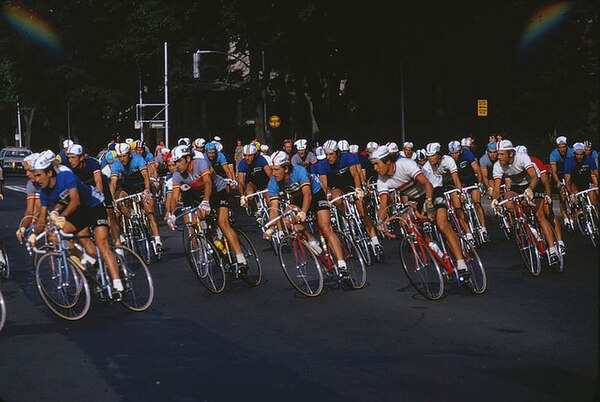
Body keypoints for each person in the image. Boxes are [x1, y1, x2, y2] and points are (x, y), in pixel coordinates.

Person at [30, 151, 124, 292]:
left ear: (49, 173)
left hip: (94, 206)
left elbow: (75, 200)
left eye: (39, 175)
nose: (36, 180)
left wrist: (62, 215)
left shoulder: (66, 176)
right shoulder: (44, 192)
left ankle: (118, 284)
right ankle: (89, 259)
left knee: (101, 242)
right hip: (78, 212)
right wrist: (32, 233)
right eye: (35, 175)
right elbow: (42, 219)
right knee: (54, 236)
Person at [369, 145, 470, 274]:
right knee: (409, 223)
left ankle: (461, 263)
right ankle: (435, 249)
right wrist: (380, 222)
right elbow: (383, 204)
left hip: (433, 188)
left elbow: (427, 183)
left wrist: (428, 203)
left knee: (441, 223)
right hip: (416, 197)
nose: (375, 168)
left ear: (388, 161)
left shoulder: (405, 164)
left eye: (377, 164)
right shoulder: (381, 180)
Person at [166, 145, 248, 270]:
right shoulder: (177, 175)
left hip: (217, 191)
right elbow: (175, 197)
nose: (176, 165)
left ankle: (241, 258)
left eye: (178, 161)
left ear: (188, 159)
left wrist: (205, 201)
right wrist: (172, 214)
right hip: (199, 195)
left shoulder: (201, 164)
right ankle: (221, 252)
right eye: (174, 162)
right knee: (205, 228)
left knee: (223, 223)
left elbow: (208, 182)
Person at [264, 151, 348, 271]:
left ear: (286, 169)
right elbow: (274, 208)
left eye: (276, 169)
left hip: (316, 194)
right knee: (287, 220)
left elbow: (307, 194)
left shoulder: (299, 171)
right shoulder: (273, 182)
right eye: (272, 169)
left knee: (325, 227)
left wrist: (303, 212)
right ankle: (310, 239)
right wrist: (271, 227)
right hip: (297, 199)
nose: (273, 173)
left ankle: (342, 264)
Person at [491, 140, 560, 266]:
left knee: (540, 216)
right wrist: (495, 199)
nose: (498, 157)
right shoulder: (498, 165)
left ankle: (552, 250)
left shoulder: (522, 158)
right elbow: (496, 188)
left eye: (501, 154)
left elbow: (535, 177)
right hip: (516, 187)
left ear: (511, 154)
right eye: (498, 154)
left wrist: (530, 189)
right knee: (507, 202)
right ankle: (526, 224)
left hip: (533, 185)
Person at [317, 140, 382, 253]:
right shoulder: (322, 164)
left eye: (331, 154)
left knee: (363, 212)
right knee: (336, 200)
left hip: (350, 184)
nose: (328, 157)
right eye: (326, 154)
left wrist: (358, 188)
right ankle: (347, 217)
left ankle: (375, 242)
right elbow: (324, 184)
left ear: (337, 154)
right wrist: (327, 197)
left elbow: (355, 174)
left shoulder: (347, 157)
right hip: (337, 187)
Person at [67, 144, 122, 248]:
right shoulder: (69, 167)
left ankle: (118, 245)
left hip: (100, 187)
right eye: (69, 157)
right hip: (85, 190)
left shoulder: (92, 163)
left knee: (110, 216)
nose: (70, 160)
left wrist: (98, 200)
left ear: (82, 157)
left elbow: (98, 182)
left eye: (73, 157)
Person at [110, 142, 163, 251]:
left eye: (124, 156)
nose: (122, 159)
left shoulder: (138, 159)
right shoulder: (116, 164)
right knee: (118, 202)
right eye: (120, 157)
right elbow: (113, 183)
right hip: (127, 186)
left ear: (129, 154)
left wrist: (147, 189)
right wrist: (112, 199)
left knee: (150, 211)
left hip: (141, 184)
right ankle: (131, 216)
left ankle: (157, 240)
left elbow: (145, 176)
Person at [422, 142, 473, 242]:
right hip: (437, 186)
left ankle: (467, 231)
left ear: (439, 155)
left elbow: (456, 179)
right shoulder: (426, 167)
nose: (430, 158)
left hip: (450, 183)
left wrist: (460, 193)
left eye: (432, 156)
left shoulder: (448, 160)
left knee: (458, 207)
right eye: (428, 156)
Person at [448, 140, 488, 240]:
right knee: (458, 207)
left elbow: (477, 169)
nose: (454, 155)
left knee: (477, 202)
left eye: (456, 153)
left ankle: (483, 228)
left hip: (471, 180)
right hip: (459, 182)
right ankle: (468, 233)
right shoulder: (449, 159)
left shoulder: (467, 153)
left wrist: (479, 183)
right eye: (452, 154)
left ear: (460, 150)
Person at [549, 136, 574, 228]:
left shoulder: (572, 152)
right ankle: (565, 217)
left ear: (567, 146)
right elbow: (554, 172)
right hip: (558, 173)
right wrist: (559, 183)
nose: (562, 149)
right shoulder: (553, 154)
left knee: (573, 188)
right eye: (560, 147)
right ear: (557, 147)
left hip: (569, 171)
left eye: (564, 147)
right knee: (562, 194)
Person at [238, 144, 272, 210]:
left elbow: (270, 174)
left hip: (264, 182)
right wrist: (242, 196)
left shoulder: (261, 159)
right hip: (252, 183)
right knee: (250, 195)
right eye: (245, 155)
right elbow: (241, 182)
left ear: (255, 155)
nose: (247, 158)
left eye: (250, 155)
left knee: (270, 201)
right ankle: (256, 211)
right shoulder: (242, 163)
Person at [564, 142, 598, 208]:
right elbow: (567, 180)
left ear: (584, 153)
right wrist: (571, 193)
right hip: (575, 183)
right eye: (577, 154)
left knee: (594, 202)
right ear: (574, 154)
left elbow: (596, 174)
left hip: (587, 182)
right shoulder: (569, 162)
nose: (579, 157)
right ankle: (578, 213)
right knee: (576, 203)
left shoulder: (590, 159)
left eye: (581, 154)